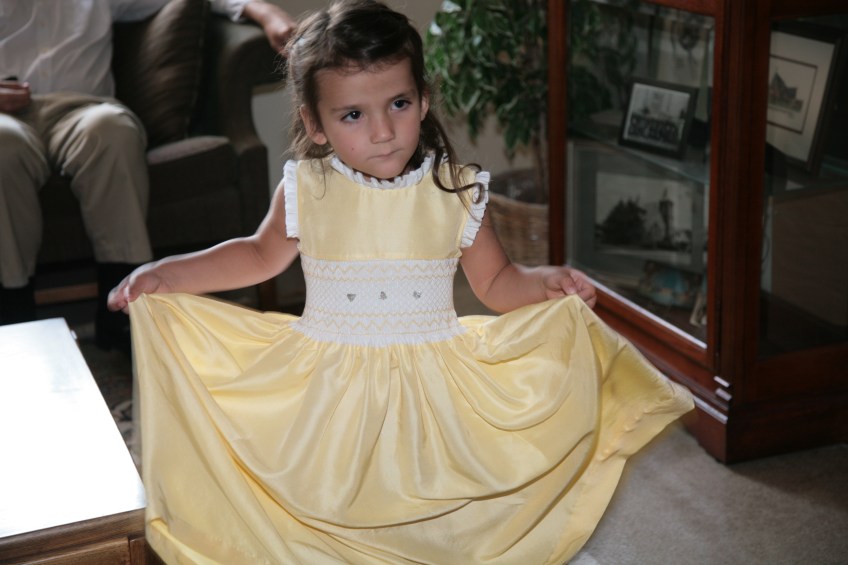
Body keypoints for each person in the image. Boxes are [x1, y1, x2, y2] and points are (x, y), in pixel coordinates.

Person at [108, 1, 694, 563]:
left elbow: (498, 282)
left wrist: (545, 284)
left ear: (423, 99)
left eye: (399, 103)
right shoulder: (307, 189)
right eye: (353, 115)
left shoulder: (457, 191)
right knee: (332, 504)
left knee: (437, 503)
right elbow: (257, 256)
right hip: (332, 392)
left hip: (435, 388)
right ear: (315, 123)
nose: (384, 130)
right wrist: (168, 273)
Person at [0, 0, 296, 352]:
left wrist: (267, 13)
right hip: (7, 117)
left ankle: (124, 311)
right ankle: (14, 311)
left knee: (112, 131)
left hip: (84, 109)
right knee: (3, 146)